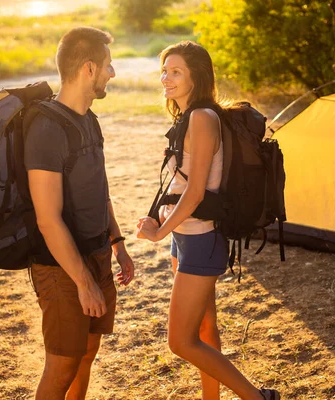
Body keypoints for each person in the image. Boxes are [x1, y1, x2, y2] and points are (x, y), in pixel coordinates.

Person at [136, 41, 280, 400]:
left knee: (180, 342)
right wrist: (161, 219)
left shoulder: (202, 117)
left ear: (196, 77)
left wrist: (159, 232)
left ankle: (259, 398)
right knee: (204, 327)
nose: (165, 79)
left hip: (201, 238)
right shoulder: (188, 116)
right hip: (185, 236)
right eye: (164, 71)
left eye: (176, 72)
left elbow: (197, 191)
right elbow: (180, 182)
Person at [24, 27, 134, 400]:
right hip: (61, 269)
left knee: (86, 354)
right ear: (89, 68)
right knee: (62, 367)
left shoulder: (90, 120)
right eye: (108, 65)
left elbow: (99, 191)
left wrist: (117, 243)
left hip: (98, 253)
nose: (112, 73)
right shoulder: (46, 128)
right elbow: (47, 218)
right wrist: (83, 281)